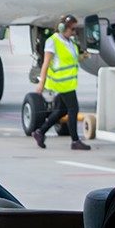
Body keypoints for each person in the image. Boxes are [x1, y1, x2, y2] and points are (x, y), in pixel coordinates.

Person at [31, 14, 90, 151]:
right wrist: (41, 83)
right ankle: (75, 141)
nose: (74, 32)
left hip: (68, 82)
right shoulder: (53, 41)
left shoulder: (70, 42)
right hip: (61, 83)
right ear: (63, 28)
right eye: (72, 29)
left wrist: (83, 56)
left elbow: (70, 60)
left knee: (61, 110)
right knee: (73, 109)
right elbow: (46, 64)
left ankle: (40, 132)